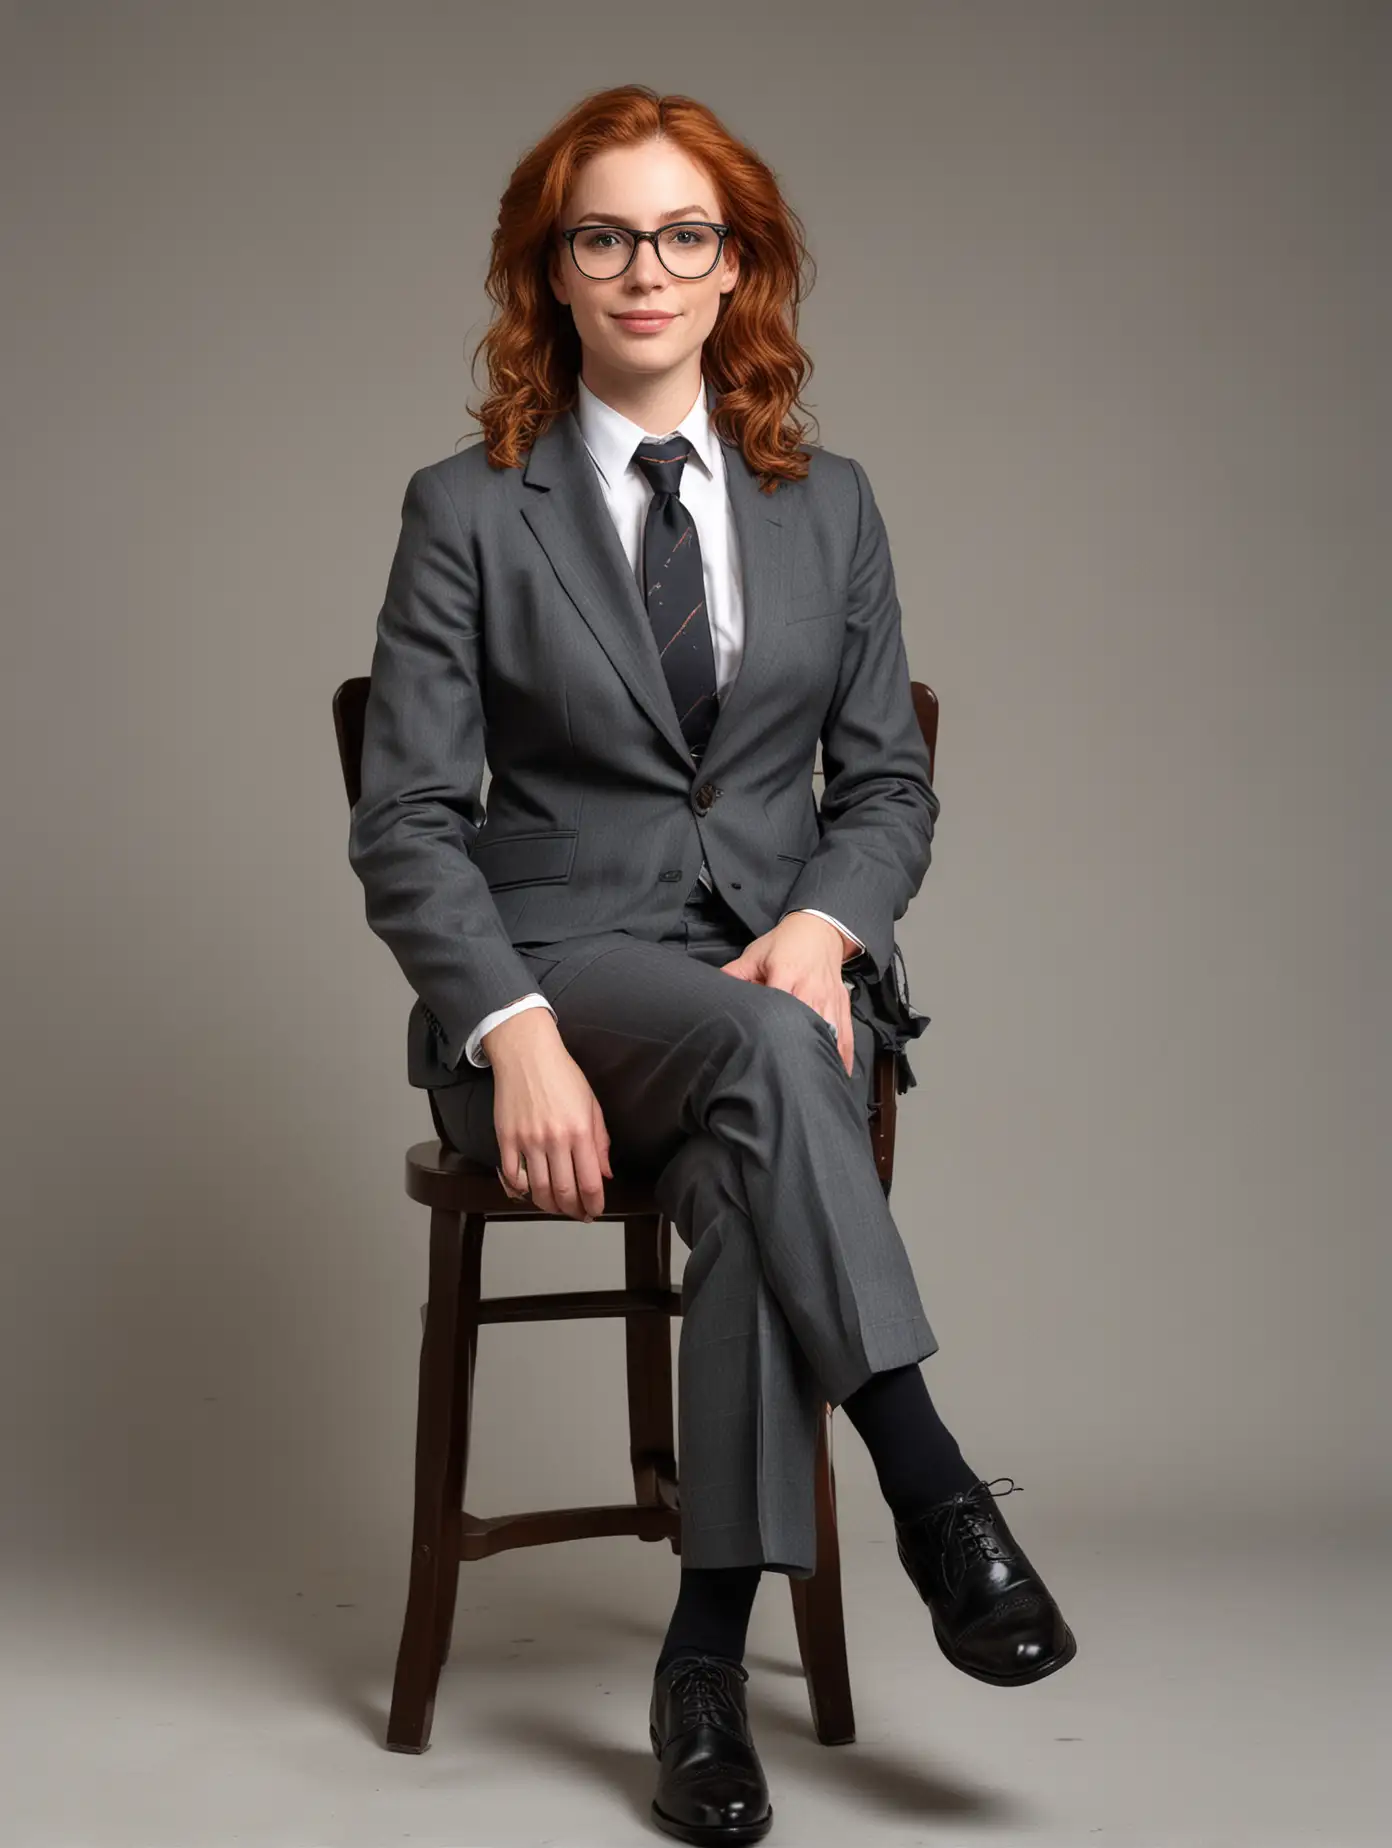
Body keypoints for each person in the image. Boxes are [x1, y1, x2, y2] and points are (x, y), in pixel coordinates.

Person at [349, 83, 1076, 1848]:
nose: (647, 269)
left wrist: (826, 929)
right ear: (555, 269)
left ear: (736, 264)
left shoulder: (828, 509)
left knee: (762, 1115)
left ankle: (700, 1670)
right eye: (605, 236)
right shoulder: (472, 508)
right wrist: (506, 1027)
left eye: (685, 234)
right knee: (777, 1061)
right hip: (549, 981)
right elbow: (406, 823)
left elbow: (885, 787)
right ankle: (927, 1488)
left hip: (766, 983)